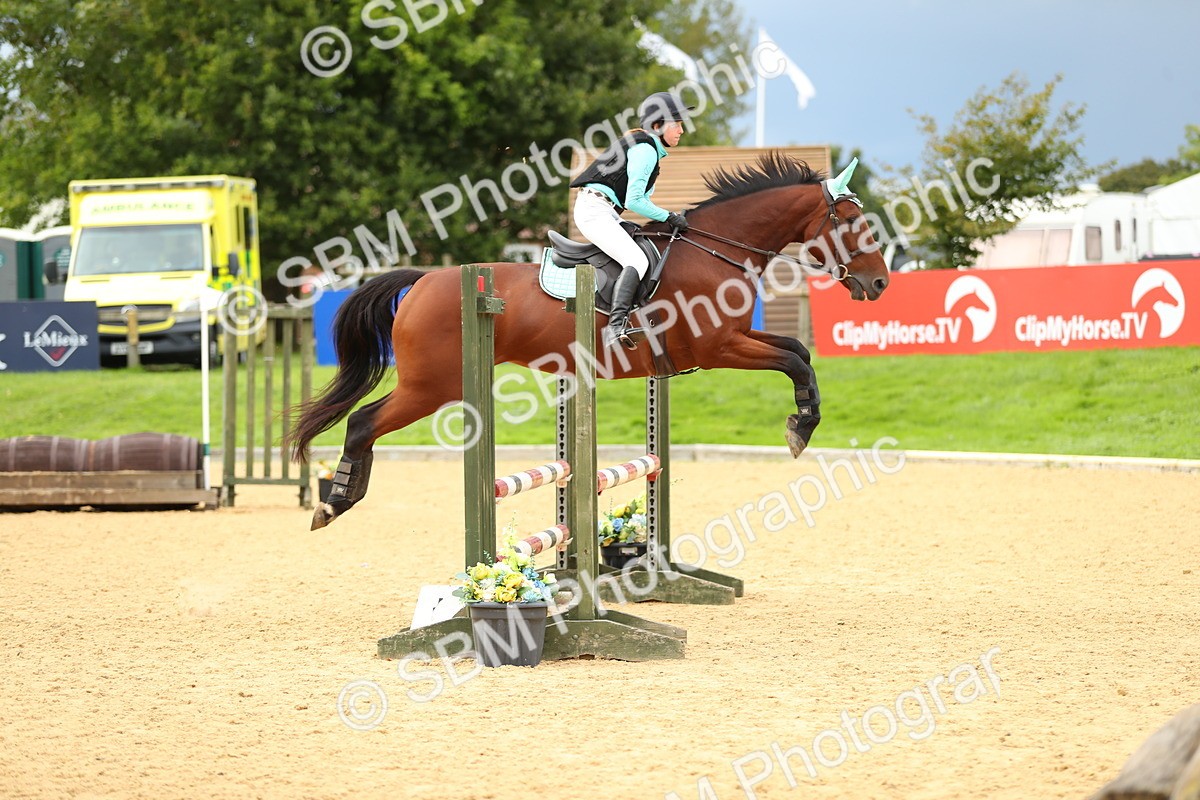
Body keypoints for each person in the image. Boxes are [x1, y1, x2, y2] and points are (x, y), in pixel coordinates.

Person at [570, 91, 693, 349]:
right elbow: (634, 201)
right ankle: (615, 328)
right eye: (677, 124)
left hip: (604, 210)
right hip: (594, 210)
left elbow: (639, 200)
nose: (682, 130)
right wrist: (669, 216)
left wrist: (667, 217)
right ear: (657, 125)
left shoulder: (648, 148)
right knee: (636, 260)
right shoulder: (645, 150)